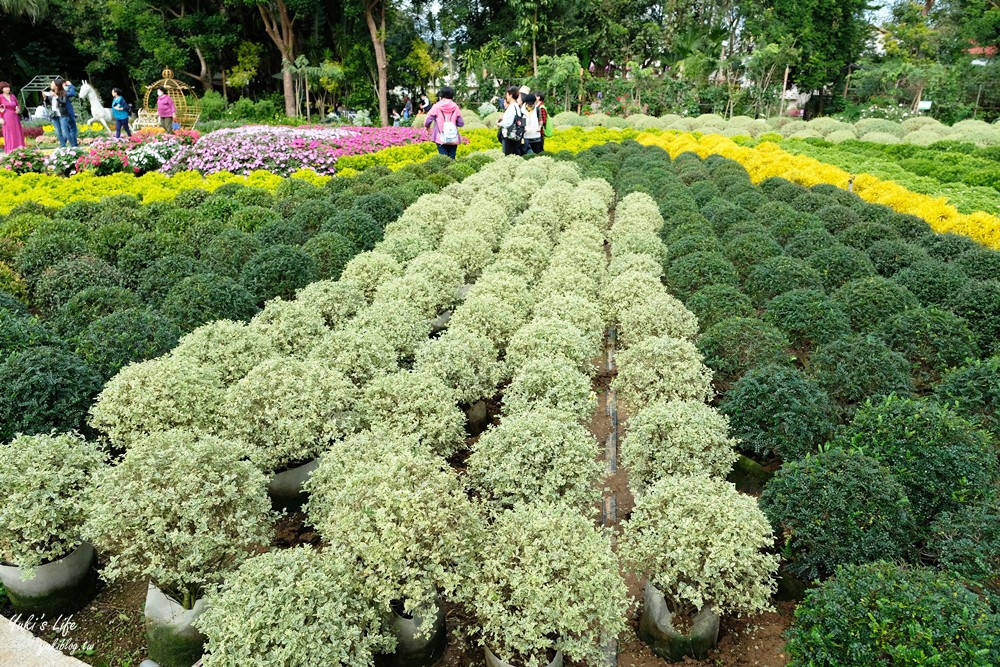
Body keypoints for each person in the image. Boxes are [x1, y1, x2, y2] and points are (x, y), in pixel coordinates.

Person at [424, 86, 464, 159]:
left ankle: (444, 170)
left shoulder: (437, 106)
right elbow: (461, 123)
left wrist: (427, 127)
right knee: (452, 158)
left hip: (440, 137)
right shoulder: (455, 106)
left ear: (441, 95)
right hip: (453, 137)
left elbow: (428, 119)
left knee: (443, 159)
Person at [42, 79, 75, 147]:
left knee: (65, 132)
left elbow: (63, 102)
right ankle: (63, 146)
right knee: (58, 132)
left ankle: (73, 146)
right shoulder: (51, 93)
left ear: (56, 86)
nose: (51, 85)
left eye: (52, 83)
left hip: (63, 115)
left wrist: (56, 96)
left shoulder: (63, 93)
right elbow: (50, 104)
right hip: (54, 115)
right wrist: (45, 98)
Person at [497, 85, 524, 156]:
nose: (506, 97)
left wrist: (499, 123)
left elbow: (507, 123)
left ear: (510, 95)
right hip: (516, 135)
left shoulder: (511, 107)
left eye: (507, 95)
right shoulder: (516, 106)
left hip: (509, 135)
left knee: (507, 155)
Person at [0, 81, 26, 153]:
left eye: (8, 87)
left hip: (15, 117)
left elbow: (18, 105)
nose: (7, 89)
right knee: (9, 133)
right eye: (5, 87)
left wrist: (18, 109)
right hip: (6, 116)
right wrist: (0, 118)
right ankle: (10, 149)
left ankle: (20, 148)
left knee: (17, 132)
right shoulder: (0, 97)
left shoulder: (13, 96)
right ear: (2, 89)